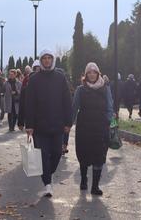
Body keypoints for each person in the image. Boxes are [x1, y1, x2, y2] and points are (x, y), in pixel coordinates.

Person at [25, 49, 72, 197]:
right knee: (44, 155)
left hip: (58, 124)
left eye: (49, 58)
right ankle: (47, 184)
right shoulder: (34, 79)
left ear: (52, 60)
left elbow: (67, 100)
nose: (46, 60)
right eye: (44, 58)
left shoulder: (60, 77)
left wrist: (68, 122)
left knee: (57, 153)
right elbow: (29, 103)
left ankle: (48, 174)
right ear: (41, 60)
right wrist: (29, 125)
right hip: (40, 126)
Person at [72, 62, 113, 196]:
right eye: (89, 72)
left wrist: (108, 121)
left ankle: (95, 186)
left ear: (98, 73)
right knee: (83, 153)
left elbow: (109, 106)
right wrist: (68, 124)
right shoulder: (80, 90)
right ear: (86, 74)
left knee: (99, 155)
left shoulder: (105, 88)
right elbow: (74, 107)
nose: (91, 74)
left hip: (101, 127)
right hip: (84, 126)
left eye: (94, 72)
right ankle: (84, 178)